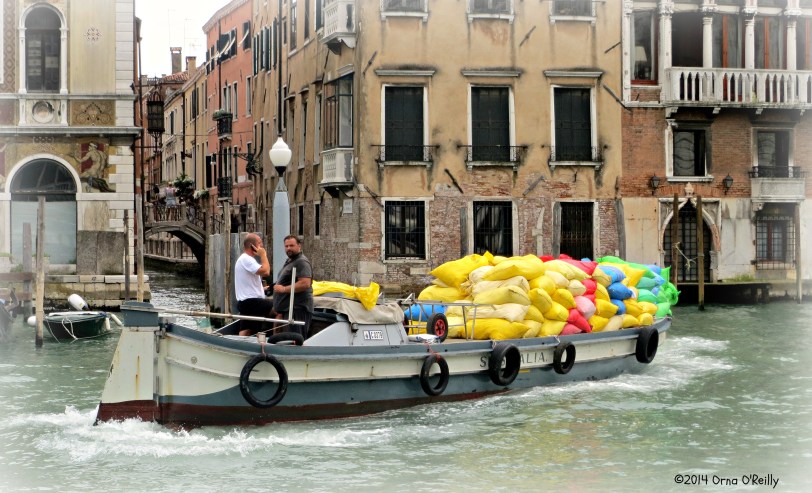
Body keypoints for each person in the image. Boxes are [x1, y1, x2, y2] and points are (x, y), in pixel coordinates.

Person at [272, 235, 313, 338]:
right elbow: (285, 280)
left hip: (297, 309)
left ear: (299, 246)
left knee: (295, 340)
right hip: (286, 310)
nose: (288, 248)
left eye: (291, 245)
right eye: (286, 246)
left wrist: (284, 289)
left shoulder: (301, 262)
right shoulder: (290, 261)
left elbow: (305, 283)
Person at [234, 233, 274, 336]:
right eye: (260, 243)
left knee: (247, 329)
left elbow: (248, 282)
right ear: (253, 246)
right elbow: (266, 272)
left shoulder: (245, 259)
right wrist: (263, 255)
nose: (262, 247)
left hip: (245, 301)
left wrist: (264, 288)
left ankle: (240, 345)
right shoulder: (246, 259)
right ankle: (276, 338)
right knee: (278, 309)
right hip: (251, 302)